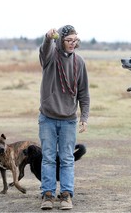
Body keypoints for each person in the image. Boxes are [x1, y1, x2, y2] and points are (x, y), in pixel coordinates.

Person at [38, 25, 90, 210]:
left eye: (75, 40)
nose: (72, 44)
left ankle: (66, 195)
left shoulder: (80, 62)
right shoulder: (51, 57)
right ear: (60, 41)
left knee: (67, 159)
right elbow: (45, 50)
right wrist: (47, 37)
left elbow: (83, 92)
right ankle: (48, 195)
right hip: (48, 118)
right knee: (49, 158)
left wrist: (84, 116)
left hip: (69, 119)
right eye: (69, 40)